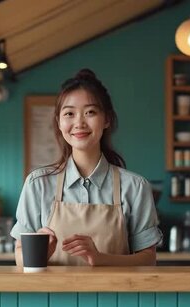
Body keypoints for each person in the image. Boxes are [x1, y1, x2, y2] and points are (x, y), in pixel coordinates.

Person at [10, 69, 162, 266]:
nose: (79, 122)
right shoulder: (37, 184)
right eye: (69, 114)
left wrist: (100, 259)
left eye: (90, 112)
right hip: (52, 297)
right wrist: (40, 254)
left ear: (106, 119)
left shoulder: (135, 186)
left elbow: (148, 259)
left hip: (115, 297)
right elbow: (19, 257)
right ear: (59, 122)